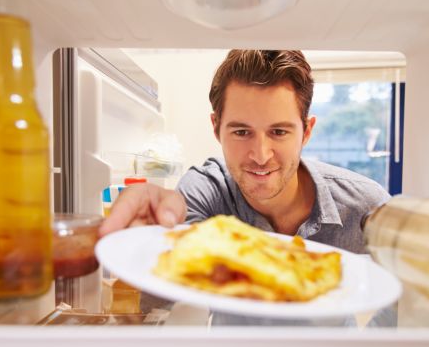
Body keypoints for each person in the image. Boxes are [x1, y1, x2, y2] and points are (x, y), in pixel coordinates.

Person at [100, 49, 389, 254]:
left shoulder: (364, 206)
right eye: (241, 132)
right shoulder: (206, 192)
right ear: (216, 128)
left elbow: (406, 300)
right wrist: (151, 241)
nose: (260, 156)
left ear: (307, 131)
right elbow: (168, 294)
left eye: (279, 132)